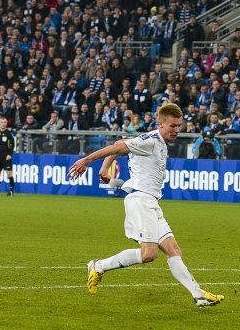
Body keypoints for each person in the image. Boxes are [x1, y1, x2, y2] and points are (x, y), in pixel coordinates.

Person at [67, 104, 224, 307]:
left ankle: (199, 295)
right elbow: (116, 147)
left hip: (151, 202)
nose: (177, 130)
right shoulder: (150, 141)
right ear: (160, 123)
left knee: (173, 249)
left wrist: (105, 169)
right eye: (173, 125)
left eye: (179, 125)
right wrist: (87, 160)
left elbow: (120, 143)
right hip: (140, 200)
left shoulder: (155, 141)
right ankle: (98, 266)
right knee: (149, 254)